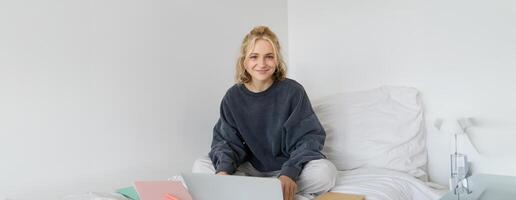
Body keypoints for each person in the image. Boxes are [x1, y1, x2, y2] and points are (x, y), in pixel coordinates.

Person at [192, 26, 336, 200]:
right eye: (254, 57)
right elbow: (226, 142)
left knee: (326, 173)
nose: (261, 64)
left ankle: (254, 192)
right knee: (200, 166)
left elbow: (308, 139)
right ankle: (267, 192)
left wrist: (289, 172)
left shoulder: (293, 92)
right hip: (249, 169)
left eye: (269, 57)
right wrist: (223, 171)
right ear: (244, 61)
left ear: (277, 60)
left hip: (288, 169)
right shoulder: (232, 97)